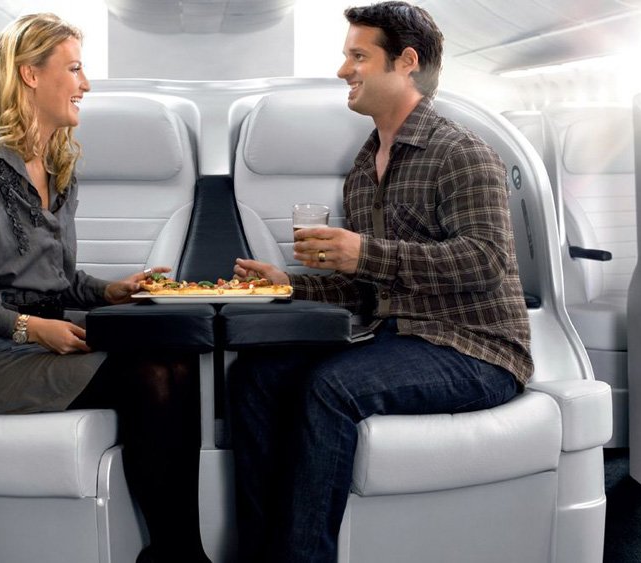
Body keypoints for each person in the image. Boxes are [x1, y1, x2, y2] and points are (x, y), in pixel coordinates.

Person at [228, 3, 533, 562]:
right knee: (255, 376)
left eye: (358, 56)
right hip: (393, 334)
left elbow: (484, 261)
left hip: (476, 348)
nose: (344, 70)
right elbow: (365, 288)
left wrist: (365, 251)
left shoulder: (461, 153)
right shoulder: (366, 167)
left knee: (331, 386)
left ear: (406, 62)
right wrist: (286, 285)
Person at [0, 14, 210, 563]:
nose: (86, 85)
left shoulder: (57, 166)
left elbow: (55, 280)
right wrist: (32, 328)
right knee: (151, 372)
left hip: (44, 342)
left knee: (179, 358)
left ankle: (179, 551)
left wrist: (111, 292)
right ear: (31, 75)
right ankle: (176, 554)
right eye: (74, 69)